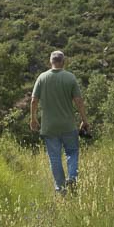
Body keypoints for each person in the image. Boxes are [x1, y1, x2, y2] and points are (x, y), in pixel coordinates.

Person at [30, 49, 89, 194]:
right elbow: (79, 101)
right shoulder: (70, 78)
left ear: (50, 62)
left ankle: (61, 189)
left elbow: (33, 101)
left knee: (55, 157)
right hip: (68, 125)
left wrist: (33, 118)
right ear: (63, 62)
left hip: (49, 127)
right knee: (73, 152)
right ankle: (72, 179)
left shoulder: (42, 78)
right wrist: (84, 120)